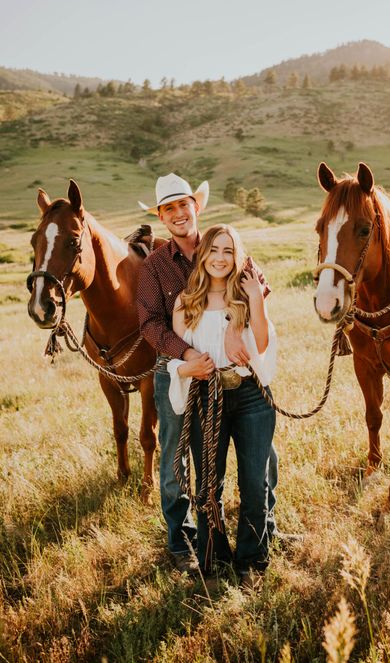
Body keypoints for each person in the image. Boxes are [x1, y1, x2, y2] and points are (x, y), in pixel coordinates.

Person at [136, 173, 280, 575]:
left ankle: (263, 529)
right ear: (162, 217)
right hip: (183, 367)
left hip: (239, 373)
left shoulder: (226, 243)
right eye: (169, 209)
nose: (179, 214)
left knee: (261, 458)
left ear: (196, 207)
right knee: (177, 457)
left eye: (184, 205)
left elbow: (258, 291)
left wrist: (235, 322)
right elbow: (149, 324)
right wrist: (188, 356)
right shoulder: (156, 267)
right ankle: (184, 541)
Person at [167, 224, 277, 582]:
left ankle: (251, 560)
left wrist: (255, 303)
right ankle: (213, 559)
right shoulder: (186, 302)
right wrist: (188, 367)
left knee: (253, 481)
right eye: (213, 249)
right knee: (208, 484)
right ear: (202, 255)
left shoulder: (245, 297)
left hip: (249, 397)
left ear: (237, 256)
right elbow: (177, 358)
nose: (219, 258)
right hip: (206, 398)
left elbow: (261, 344)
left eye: (228, 251)